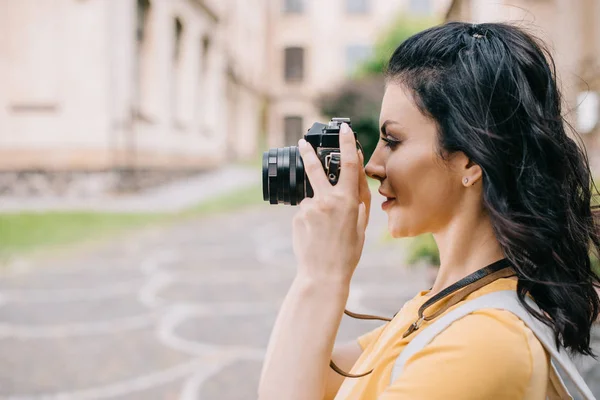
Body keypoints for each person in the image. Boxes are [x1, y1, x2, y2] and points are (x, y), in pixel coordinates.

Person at [258, 22, 600, 399]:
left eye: (392, 140)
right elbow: (300, 375)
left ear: (470, 161)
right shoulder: (435, 309)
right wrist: (317, 270)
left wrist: (320, 277)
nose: (372, 165)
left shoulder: (484, 345)